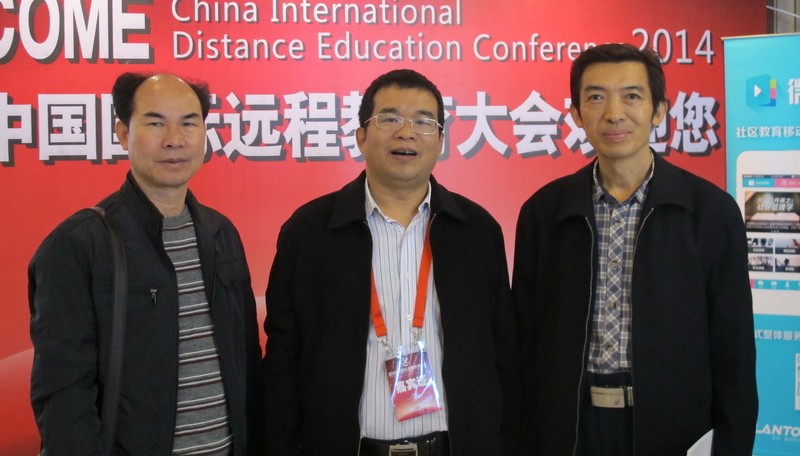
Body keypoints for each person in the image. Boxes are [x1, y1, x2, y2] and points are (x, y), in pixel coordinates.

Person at [512, 43, 758, 455]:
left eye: (631, 96)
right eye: (596, 97)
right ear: (576, 114)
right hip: (570, 430)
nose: (614, 113)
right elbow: (524, 338)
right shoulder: (545, 211)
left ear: (658, 110)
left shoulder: (710, 211)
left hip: (673, 430)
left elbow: (734, 349)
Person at [259, 69, 519, 455]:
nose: (407, 132)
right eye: (390, 118)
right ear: (361, 136)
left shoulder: (476, 230)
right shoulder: (310, 230)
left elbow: (504, 353)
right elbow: (283, 357)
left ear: (441, 141)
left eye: (423, 122)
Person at [28, 73, 261, 455]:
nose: (174, 139)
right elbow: (63, 392)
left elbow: (247, 360)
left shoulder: (221, 234)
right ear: (123, 133)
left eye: (189, 123)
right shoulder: (79, 244)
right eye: (156, 123)